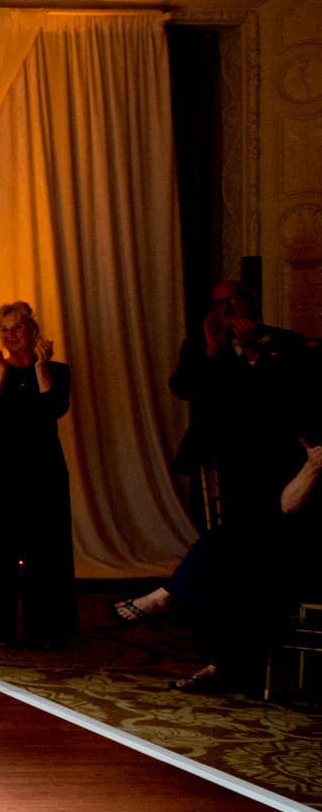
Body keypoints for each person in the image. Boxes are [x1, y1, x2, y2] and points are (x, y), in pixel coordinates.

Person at [114, 436, 319, 691]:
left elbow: (289, 508)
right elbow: (286, 505)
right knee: (220, 546)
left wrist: (313, 467)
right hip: (293, 545)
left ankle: (169, 602)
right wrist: (312, 466)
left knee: (228, 559)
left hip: (311, 563)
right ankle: (214, 656)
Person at [0, 301, 74, 645]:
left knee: (43, 550)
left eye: (17, 327)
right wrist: (0, 372)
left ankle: (47, 628)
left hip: (43, 470)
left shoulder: (56, 371)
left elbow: (54, 408)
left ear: (33, 332)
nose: (10, 334)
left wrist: (41, 370)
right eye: (4, 329)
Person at [168, 280, 306, 530]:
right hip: (214, 453)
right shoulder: (200, 345)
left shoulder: (287, 341)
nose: (226, 308)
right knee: (215, 532)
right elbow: (182, 388)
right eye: (219, 303)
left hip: (267, 456)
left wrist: (253, 353)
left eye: (232, 300)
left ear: (253, 302)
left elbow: (288, 392)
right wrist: (212, 353)